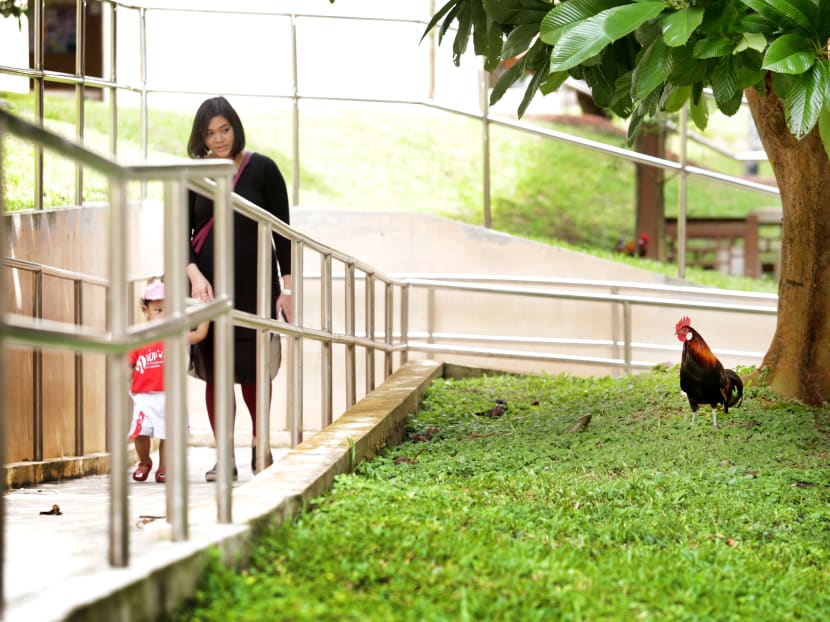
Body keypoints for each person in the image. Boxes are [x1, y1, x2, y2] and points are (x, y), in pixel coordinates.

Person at [186, 96, 293, 482]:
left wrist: (288, 288)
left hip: (257, 285)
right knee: (216, 372)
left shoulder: (262, 169)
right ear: (200, 137)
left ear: (236, 127)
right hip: (209, 290)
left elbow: (283, 230)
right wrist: (196, 278)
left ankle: (260, 446)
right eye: (210, 133)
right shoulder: (191, 173)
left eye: (225, 130)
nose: (219, 139)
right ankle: (224, 458)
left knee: (253, 371)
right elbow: (183, 235)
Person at [129, 279, 209, 483]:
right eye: (158, 310)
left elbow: (199, 334)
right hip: (144, 396)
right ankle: (145, 461)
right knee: (140, 433)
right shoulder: (139, 336)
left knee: (167, 434)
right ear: (145, 310)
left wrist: (206, 311)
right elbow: (129, 363)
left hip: (170, 395)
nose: (163, 314)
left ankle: (164, 468)